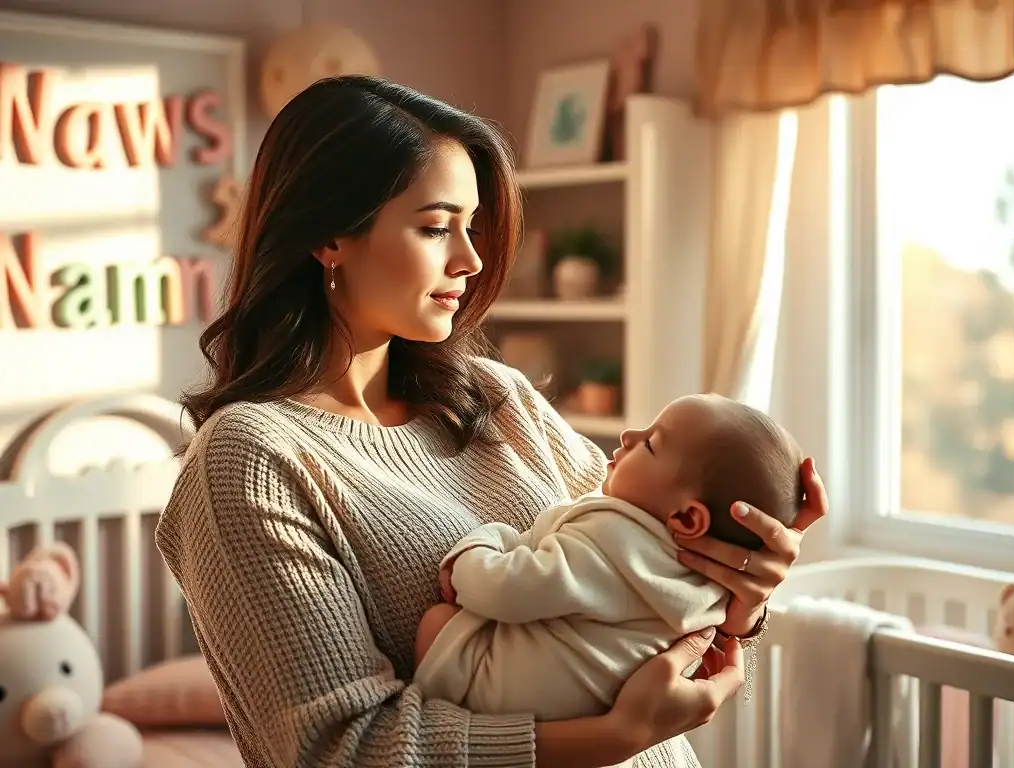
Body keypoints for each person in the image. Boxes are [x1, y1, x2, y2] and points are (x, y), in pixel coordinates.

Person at [154, 75, 829, 768]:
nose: (471, 260)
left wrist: (743, 591)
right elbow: (342, 750)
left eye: (470, 227)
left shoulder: (497, 399)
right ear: (330, 236)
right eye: (435, 227)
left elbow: (643, 604)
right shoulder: (251, 461)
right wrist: (609, 740)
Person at [412, 394, 803, 722]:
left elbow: (508, 588)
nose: (628, 435)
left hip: (500, 693)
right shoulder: (708, 577)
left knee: (438, 623)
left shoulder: (614, 537)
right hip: (594, 710)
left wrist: (476, 547)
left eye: (650, 443)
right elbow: (719, 639)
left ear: (687, 517)